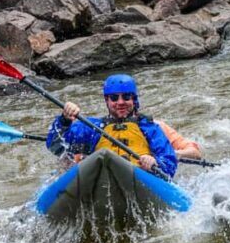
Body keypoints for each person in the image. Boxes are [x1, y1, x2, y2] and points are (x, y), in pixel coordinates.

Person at [46, 73, 178, 178]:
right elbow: (55, 147)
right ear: (107, 101)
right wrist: (64, 120)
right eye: (114, 98)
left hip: (140, 178)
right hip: (101, 181)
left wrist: (155, 163)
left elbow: (169, 164)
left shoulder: (149, 128)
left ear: (134, 100)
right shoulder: (91, 128)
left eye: (126, 97)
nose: (120, 102)